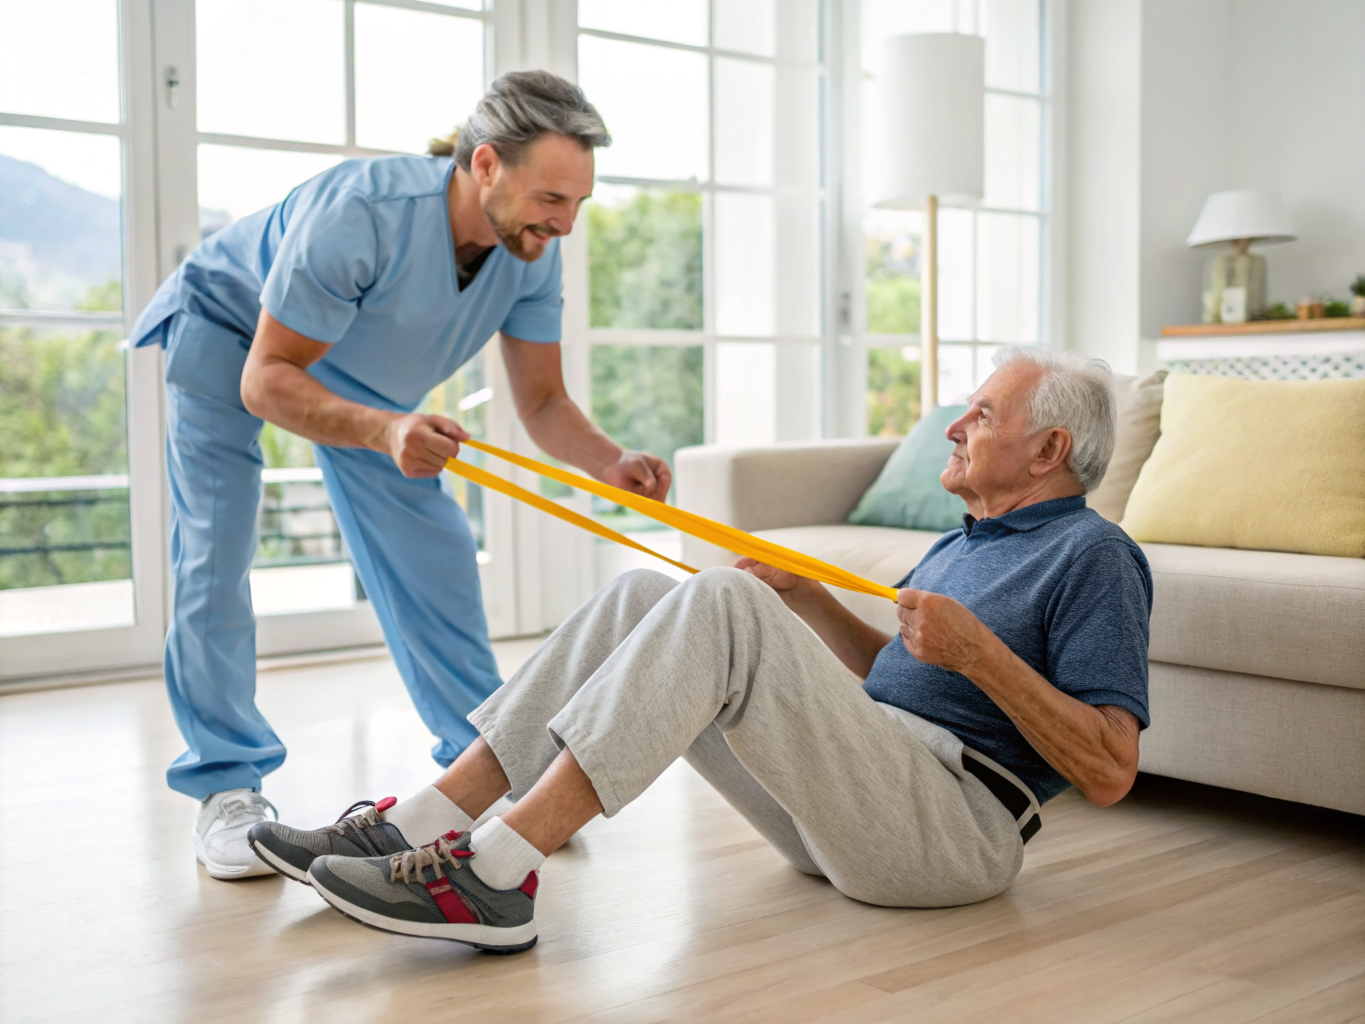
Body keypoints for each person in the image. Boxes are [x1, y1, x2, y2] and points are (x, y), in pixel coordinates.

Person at [247, 347, 1154, 952]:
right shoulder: (965, 543)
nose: (954, 428)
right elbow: (897, 675)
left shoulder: (1093, 556)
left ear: (1048, 451)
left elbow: (1111, 769)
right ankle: (423, 820)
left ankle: (495, 873)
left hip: (953, 837)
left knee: (715, 599)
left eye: (981, 415)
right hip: (858, 812)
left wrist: (981, 655)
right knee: (651, 593)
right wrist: (811, 604)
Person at [127, 72, 672, 880]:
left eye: (578, 205)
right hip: (232, 336)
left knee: (439, 555)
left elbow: (545, 400)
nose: (564, 223)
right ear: (484, 163)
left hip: (361, 383)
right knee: (216, 551)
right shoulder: (364, 214)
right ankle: (227, 785)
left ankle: (482, 764)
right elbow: (266, 378)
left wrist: (607, 462)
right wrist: (385, 429)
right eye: (552, 197)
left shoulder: (527, 252)